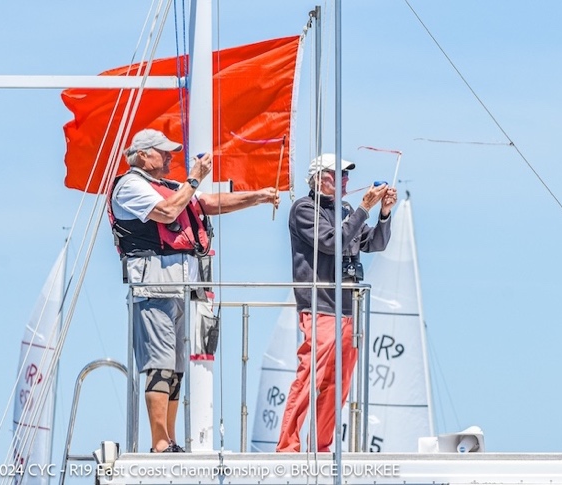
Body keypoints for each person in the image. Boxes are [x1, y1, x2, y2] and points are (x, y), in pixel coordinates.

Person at [108, 128, 279, 453]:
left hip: (182, 285)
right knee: (159, 363)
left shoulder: (172, 186)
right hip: (153, 284)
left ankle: (169, 439)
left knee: (175, 366)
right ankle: (160, 442)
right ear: (143, 155)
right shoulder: (130, 186)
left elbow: (208, 203)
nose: (171, 157)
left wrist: (257, 196)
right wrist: (195, 178)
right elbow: (168, 211)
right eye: (164, 152)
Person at [276, 153, 397, 453]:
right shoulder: (304, 209)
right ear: (318, 178)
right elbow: (331, 242)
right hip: (320, 306)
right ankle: (288, 446)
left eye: (345, 175)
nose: (345, 180)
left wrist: (383, 213)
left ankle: (321, 445)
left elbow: (374, 243)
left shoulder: (344, 209)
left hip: (347, 309)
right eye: (338, 174)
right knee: (309, 377)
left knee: (337, 385)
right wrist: (364, 209)